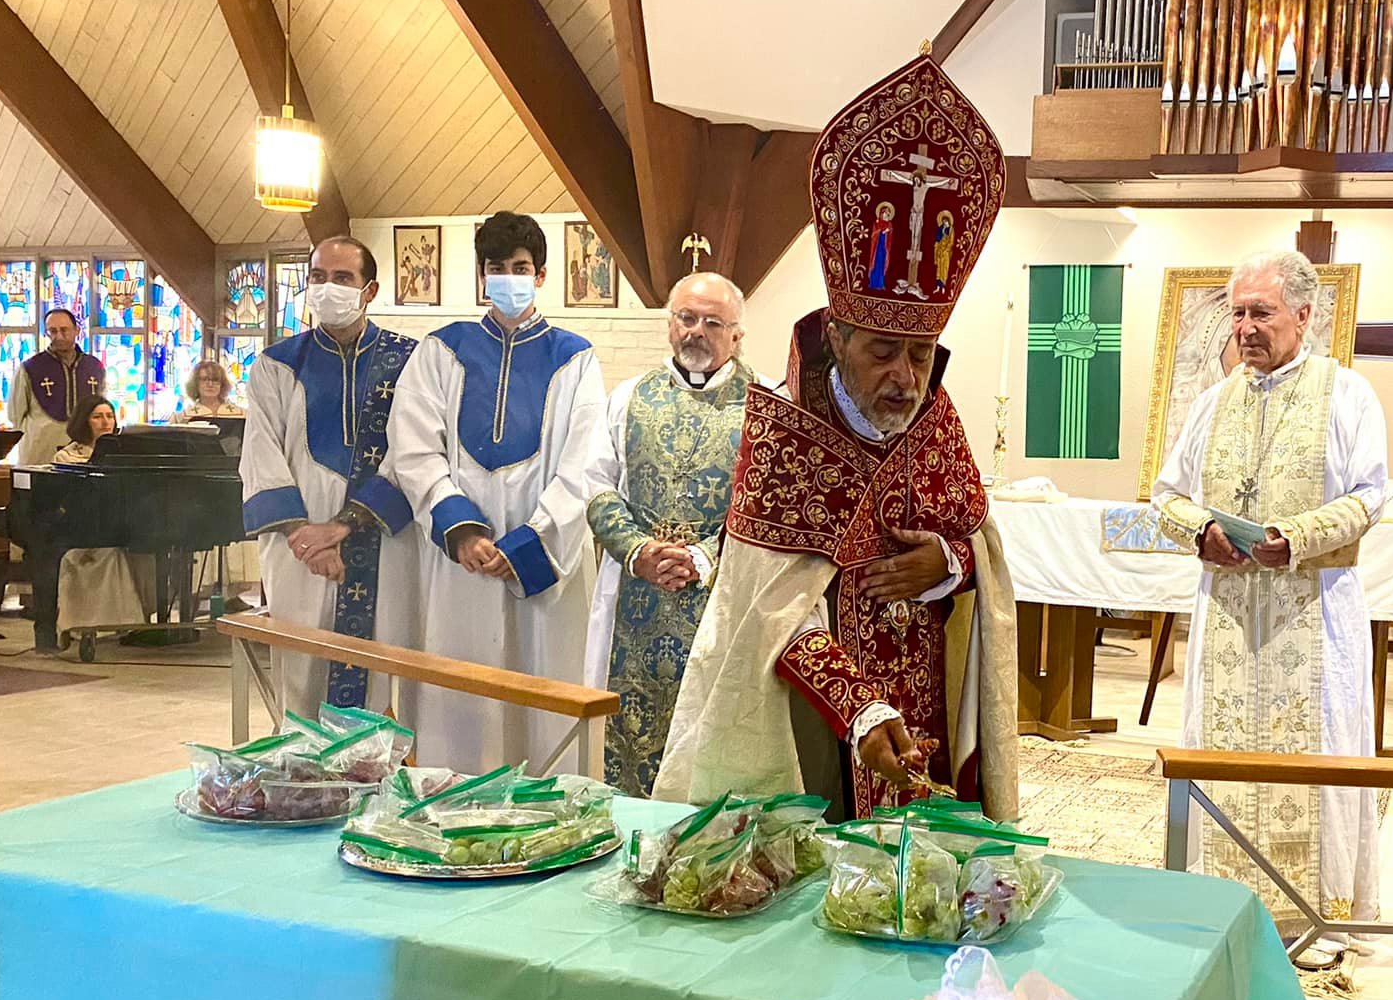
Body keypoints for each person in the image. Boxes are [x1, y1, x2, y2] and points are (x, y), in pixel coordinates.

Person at [654, 53, 1019, 819]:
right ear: (839, 339)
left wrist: (947, 565)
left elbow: (980, 546)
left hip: (920, 683)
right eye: (884, 353)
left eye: (920, 354)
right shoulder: (785, 431)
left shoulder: (937, 419)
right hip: (819, 714)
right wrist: (861, 709)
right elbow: (773, 608)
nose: (906, 378)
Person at [1152, 249, 1388, 968]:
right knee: (1223, 757)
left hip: (1311, 614)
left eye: (1262, 312)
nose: (1247, 328)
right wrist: (1201, 530)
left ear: (1305, 316)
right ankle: (1223, 904)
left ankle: (1315, 918)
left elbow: (1371, 495)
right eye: (1239, 313)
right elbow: (1166, 495)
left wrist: (1296, 539)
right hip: (1228, 612)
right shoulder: (1213, 399)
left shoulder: (1347, 394)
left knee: (1312, 760)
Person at [385, 211, 611, 773]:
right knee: (459, 690)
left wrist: (532, 542)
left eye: (521, 267)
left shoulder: (575, 357)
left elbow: (587, 462)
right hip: (460, 561)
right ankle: (453, 806)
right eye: (496, 268)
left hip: (541, 562)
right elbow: (411, 447)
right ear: (481, 276)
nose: (508, 278)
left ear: (540, 276)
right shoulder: (441, 351)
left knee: (546, 694)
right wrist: (458, 527)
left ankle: (551, 818)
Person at [583, 271, 761, 795]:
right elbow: (594, 484)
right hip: (635, 601)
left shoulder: (770, 405)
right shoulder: (628, 397)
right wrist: (636, 550)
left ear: (736, 335)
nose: (696, 332)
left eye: (712, 322)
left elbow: (772, 508)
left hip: (724, 600)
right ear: (669, 324)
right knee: (628, 748)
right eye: (686, 318)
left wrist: (704, 557)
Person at [240, 235, 420, 713]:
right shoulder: (277, 364)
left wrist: (341, 528)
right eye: (318, 277)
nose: (327, 288)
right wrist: (303, 536)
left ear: (370, 289)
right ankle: (305, 780)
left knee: (385, 671)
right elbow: (260, 451)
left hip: (384, 539)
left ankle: (379, 778)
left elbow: (416, 453)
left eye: (343, 278)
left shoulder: (411, 361)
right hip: (298, 550)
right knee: (302, 668)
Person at [47, 396, 151, 644]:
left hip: (121, 524)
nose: (105, 422)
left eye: (109, 416)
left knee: (149, 550)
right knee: (106, 552)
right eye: (97, 416)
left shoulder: (125, 453)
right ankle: (85, 624)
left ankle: (138, 623)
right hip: (83, 528)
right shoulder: (68, 456)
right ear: (84, 421)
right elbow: (66, 500)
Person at [11, 309, 106, 464]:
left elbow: (103, 410)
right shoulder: (29, 368)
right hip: (40, 451)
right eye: (52, 331)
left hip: (83, 453)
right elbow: (15, 415)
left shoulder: (94, 367)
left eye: (64, 330)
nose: (59, 336)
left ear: (77, 330)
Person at [179, 360, 246, 420]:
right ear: (195, 384)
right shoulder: (183, 417)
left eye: (215, 380)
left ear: (222, 384)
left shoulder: (242, 414)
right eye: (204, 379)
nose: (210, 384)